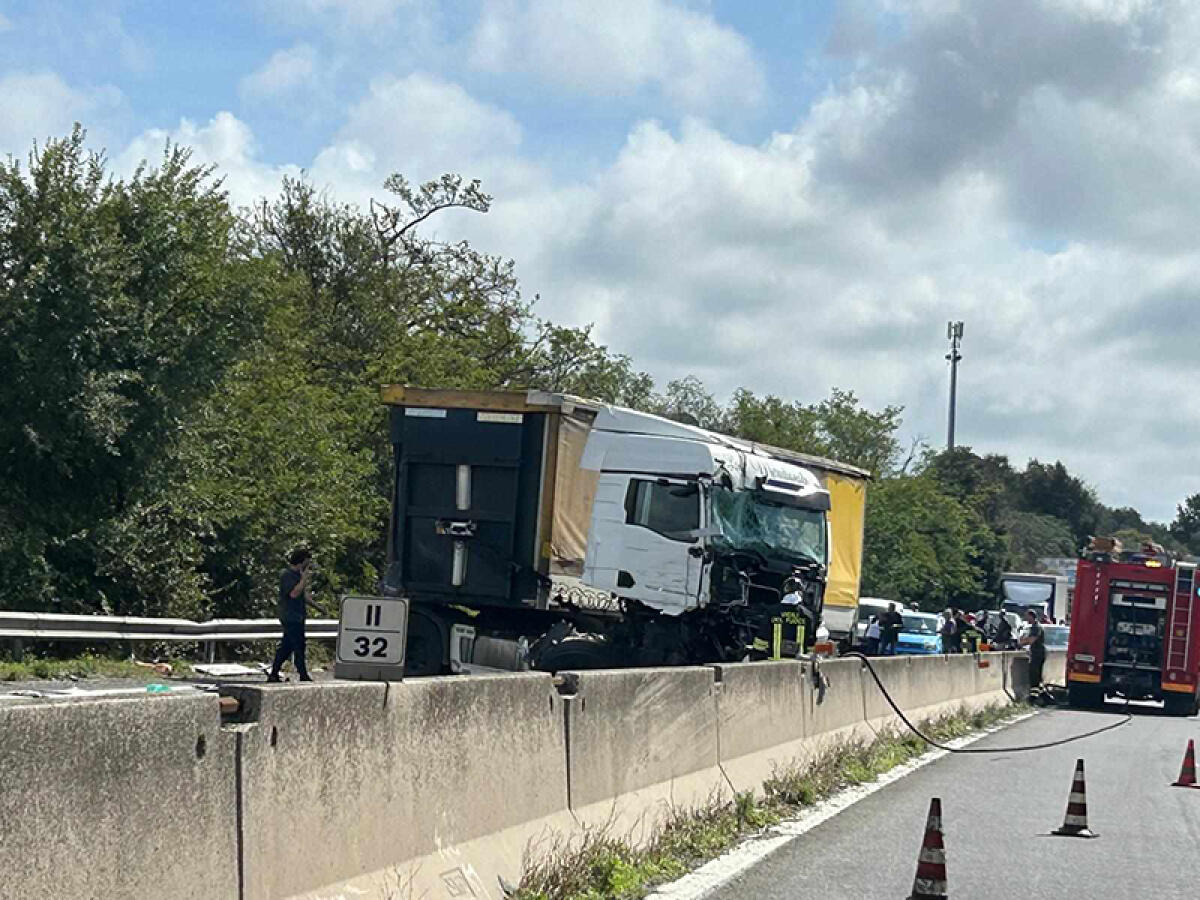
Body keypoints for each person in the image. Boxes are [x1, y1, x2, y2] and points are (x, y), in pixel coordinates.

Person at [269, 548, 315, 683]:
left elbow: (302, 595)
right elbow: (294, 594)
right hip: (290, 616)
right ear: (301, 562)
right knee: (298, 645)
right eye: (307, 562)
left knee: (287, 646)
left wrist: (318, 607)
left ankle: (274, 673)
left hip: (298, 616)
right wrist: (304, 579)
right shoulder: (287, 575)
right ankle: (303, 674)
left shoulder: (298, 576)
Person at [1019, 608, 1046, 690]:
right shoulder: (1034, 626)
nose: (1025, 618)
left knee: (1034, 676)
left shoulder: (1036, 627)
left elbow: (1032, 640)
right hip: (1038, 653)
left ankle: (1034, 696)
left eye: (1026, 616)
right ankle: (1041, 695)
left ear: (1031, 616)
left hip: (1038, 654)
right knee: (1037, 676)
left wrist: (1021, 643)